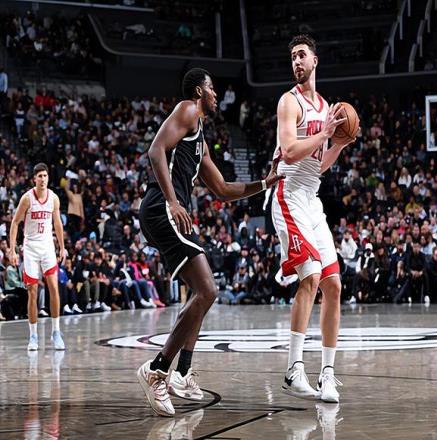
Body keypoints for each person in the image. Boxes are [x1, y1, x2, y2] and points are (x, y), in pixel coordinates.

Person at [136, 67, 283, 417]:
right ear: (200, 91)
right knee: (208, 290)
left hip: (169, 211)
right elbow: (155, 151)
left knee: (200, 294)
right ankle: (157, 370)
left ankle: (183, 372)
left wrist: (265, 182)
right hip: (162, 208)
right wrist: (173, 201)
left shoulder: (199, 138)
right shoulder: (187, 109)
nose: (217, 94)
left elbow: (223, 190)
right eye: (213, 88)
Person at [271, 34, 355, 403]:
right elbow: (290, 152)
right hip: (287, 195)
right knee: (311, 276)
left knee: (333, 286)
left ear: (315, 60)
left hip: (311, 199)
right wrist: (324, 133)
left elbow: (317, 165)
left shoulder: (325, 106)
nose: (296, 61)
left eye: (302, 55)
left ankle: (328, 374)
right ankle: (293, 369)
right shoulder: (289, 102)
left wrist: (338, 144)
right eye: (292, 56)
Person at [8, 162, 66, 350]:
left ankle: (56, 332)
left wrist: (62, 247)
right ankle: (33, 335)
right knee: (32, 291)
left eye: (45, 176)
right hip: (31, 247)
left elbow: (57, 224)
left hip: (47, 246)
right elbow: (15, 223)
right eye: (39, 176)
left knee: (54, 288)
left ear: (48, 178)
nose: (43, 179)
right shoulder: (27, 199)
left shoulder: (54, 198)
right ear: (34, 179)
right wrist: (12, 249)